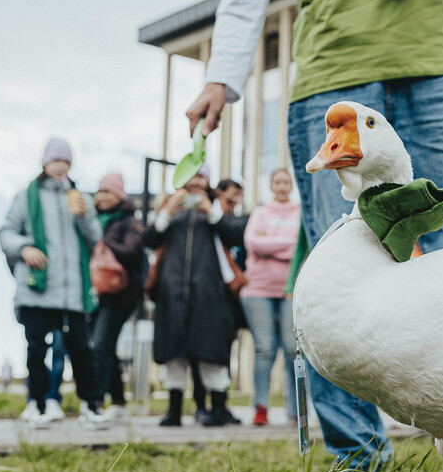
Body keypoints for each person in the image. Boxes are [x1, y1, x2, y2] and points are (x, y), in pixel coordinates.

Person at [186, 0, 443, 472]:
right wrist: (221, 75)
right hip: (335, 63)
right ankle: (359, 463)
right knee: (338, 274)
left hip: (442, 60)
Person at [0, 137, 109, 429]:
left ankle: (91, 405)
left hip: (72, 292)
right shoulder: (26, 196)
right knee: (37, 349)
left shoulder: (79, 196)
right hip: (37, 289)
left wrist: (85, 215)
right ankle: (37, 402)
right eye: (56, 160)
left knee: (81, 350)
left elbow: (95, 238)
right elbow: (6, 232)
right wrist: (24, 248)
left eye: (67, 161)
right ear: (45, 163)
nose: (61, 165)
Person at [144, 163, 244, 427]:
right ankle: (173, 410)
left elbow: (235, 236)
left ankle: (219, 408)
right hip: (171, 291)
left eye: (201, 176)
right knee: (174, 351)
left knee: (210, 350)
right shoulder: (171, 205)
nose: (196, 182)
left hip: (210, 293)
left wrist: (211, 211)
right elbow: (149, 239)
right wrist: (167, 212)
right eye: (191, 175)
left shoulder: (217, 206)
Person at [239, 169, 301, 426]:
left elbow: (301, 243)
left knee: (291, 349)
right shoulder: (260, 213)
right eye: (277, 181)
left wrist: (270, 243)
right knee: (264, 350)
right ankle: (261, 407)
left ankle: (295, 410)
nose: (282, 185)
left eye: (286, 181)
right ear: (271, 185)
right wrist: (286, 246)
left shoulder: (300, 212)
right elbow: (253, 244)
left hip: (290, 290)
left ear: (291, 185)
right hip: (257, 291)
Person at [92, 172, 145, 422]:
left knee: (101, 344)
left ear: (119, 195)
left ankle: (96, 402)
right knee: (105, 347)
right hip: (97, 293)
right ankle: (118, 401)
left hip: (121, 294)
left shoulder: (129, 222)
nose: (101, 197)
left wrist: (104, 244)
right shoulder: (95, 220)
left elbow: (134, 252)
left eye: (107, 192)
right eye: (99, 191)